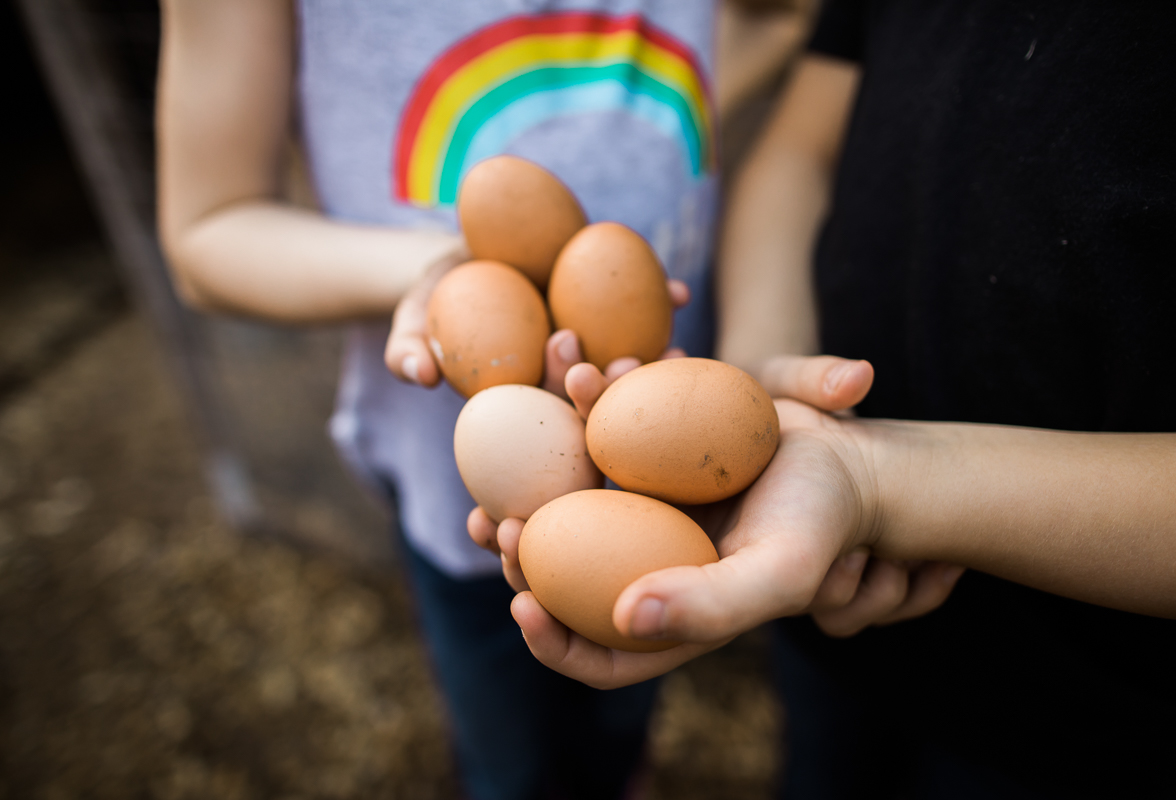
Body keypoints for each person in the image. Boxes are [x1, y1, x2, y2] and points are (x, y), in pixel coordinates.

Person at [477, 2, 1176, 797]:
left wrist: (880, 484)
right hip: (820, 579)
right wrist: (755, 372)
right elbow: (798, 152)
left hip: (1098, 701)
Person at [157, 2, 860, 798]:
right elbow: (207, 229)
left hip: (665, 450)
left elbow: (748, 38)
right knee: (510, 740)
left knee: (627, 692)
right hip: (462, 476)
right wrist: (444, 271)